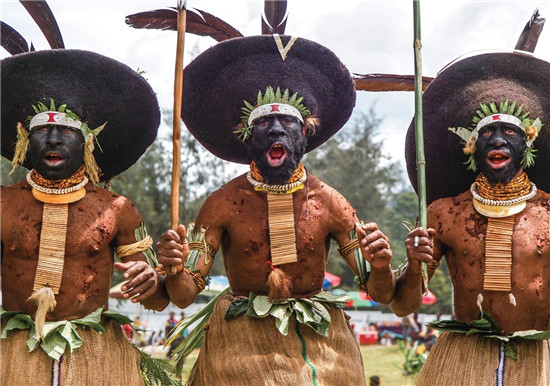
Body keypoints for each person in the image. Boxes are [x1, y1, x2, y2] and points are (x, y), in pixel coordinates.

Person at [157, 35, 395, 384]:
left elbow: (381, 293)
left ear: (305, 136)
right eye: (265, 124)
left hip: (318, 344)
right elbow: (183, 296)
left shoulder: (331, 202)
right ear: (249, 138)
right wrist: (175, 269)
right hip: (240, 343)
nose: (277, 130)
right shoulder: (222, 204)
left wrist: (381, 265)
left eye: (289, 124)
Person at [1, 49, 169, 385]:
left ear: (87, 143)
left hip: (96, 358)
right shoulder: (3, 204)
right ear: (25, 142)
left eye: (66, 131)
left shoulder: (117, 209)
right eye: (40, 131)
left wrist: (153, 279)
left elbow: (159, 300)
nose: (52, 139)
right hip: (14, 355)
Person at [391, 51, 550, 384]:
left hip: (537, 361)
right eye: (487, 135)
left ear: (527, 146)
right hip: (462, 358)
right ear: (471, 148)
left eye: (509, 133)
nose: (497, 140)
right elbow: (404, 307)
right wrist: (408, 264)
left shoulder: (547, 212)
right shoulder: (445, 213)